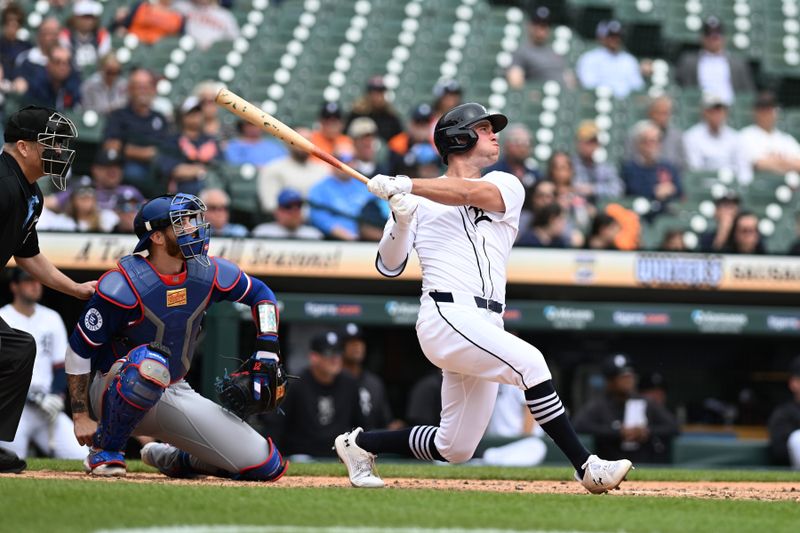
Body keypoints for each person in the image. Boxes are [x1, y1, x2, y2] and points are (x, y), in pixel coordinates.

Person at [334, 102, 633, 493]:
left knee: (455, 447)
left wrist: (408, 183)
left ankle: (359, 445)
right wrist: (402, 218)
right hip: (445, 314)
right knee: (531, 363)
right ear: (459, 137)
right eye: (484, 128)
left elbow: (465, 192)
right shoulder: (416, 202)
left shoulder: (507, 185)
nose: (495, 135)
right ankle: (586, 466)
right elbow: (388, 266)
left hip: (487, 321)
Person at [65, 192, 289, 480]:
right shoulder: (124, 284)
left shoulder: (206, 271)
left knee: (263, 465)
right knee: (149, 365)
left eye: (193, 220)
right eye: (182, 223)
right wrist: (81, 414)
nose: (193, 228)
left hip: (173, 388)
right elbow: (78, 350)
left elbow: (262, 294)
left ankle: (176, 459)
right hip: (112, 389)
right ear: (157, 237)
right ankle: (106, 449)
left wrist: (267, 347)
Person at [0, 106, 96, 474]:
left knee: (17, 348)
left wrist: (75, 289)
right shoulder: (3, 185)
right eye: (51, 144)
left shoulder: (30, 194)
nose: (60, 152)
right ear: (23, 147)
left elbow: (29, 255)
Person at [0, 268, 87, 460]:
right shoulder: (3, 317)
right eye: (28, 280)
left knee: (81, 455)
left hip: (47, 408)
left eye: (37, 280)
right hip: (14, 409)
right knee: (9, 461)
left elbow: (60, 365)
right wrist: (32, 397)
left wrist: (57, 396)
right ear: (14, 286)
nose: (35, 284)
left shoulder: (51, 317)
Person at [262, 330, 364, 458]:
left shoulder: (349, 383)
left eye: (338, 353)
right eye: (329, 353)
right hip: (302, 455)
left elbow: (361, 424)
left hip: (340, 456)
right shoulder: (295, 384)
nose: (335, 359)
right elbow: (275, 425)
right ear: (314, 357)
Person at [573, 354, 680, 464]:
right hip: (609, 465)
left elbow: (673, 426)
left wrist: (646, 431)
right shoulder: (599, 405)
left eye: (630, 375)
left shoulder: (646, 402)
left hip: (643, 464)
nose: (628, 380)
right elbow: (578, 425)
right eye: (622, 377)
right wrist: (617, 432)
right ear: (610, 381)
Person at [102, 68, 170, 196]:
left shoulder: (160, 118)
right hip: (129, 167)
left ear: (153, 89)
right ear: (130, 90)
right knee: (133, 173)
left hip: (159, 167)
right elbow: (111, 146)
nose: (143, 91)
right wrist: (144, 153)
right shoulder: (118, 116)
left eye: (146, 86)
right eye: (138, 87)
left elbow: (167, 146)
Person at [675, 16, 754, 106]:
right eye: (709, 35)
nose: (713, 40)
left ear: (724, 38)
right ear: (702, 38)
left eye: (716, 36)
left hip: (729, 109)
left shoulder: (738, 64)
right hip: (700, 109)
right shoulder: (689, 61)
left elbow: (747, 94)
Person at [158, 95, 222, 196]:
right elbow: (174, 170)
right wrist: (202, 171)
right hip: (182, 191)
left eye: (198, 112)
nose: (195, 116)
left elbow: (220, 167)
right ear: (182, 116)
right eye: (191, 113)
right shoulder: (172, 141)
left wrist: (194, 171)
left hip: (211, 190)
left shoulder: (210, 140)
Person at [257, 127, 328, 214]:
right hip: (285, 223)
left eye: (308, 141)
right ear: (288, 143)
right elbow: (270, 205)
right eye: (299, 140)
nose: (304, 145)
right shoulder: (273, 168)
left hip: (322, 222)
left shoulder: (323, 170)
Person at [340, 323, 396, 431]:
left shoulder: (374, 383)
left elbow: (385, 421)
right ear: (341, 347)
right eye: (351, 342)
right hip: (340, 442)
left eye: (360, 341)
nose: (357, 346)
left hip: (368, 443)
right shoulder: (333, 380)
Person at [736, 91, 800, 186]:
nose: (766, 114)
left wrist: (775, 162)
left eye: (769, 109)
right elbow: (760, 165)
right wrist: (787, 164)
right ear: (755, 112)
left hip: (787, 191)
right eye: (763, 109)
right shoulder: (746, 136)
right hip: (757, 190)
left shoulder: (786, 139)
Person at [307, 153, 373, 241]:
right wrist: (346, 236)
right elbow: (318, 217)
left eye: (350, 161)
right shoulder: (320, 188)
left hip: (366, 239)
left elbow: (377, 211)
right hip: (331, 240)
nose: (346, 166)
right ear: (332, 163)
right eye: (341, 161)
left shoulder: (364, 186)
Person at [621, 120, 683, 208]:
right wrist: (655, 191)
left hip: (665, 211)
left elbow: (679, 191)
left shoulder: (668, 166)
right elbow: (633, 191)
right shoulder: (630, 167)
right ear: (638, 144)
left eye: (655, 141)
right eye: (647, 141)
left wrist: (671, 189)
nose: (651, 146)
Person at [575, 20, 644, 99]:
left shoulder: (629, 60)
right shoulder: (589, 58)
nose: (615, 39)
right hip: (598, 100)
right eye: (610, 36)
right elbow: (589, 84)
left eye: (618, 36)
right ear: (601, 37)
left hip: (624, 104)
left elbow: (637, 86)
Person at [506, 6, 568, 89]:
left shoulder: (555, 52)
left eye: (544, 25)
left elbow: (568, 79)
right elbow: (515, 80)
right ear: (530, 26)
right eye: (537, 24)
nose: (541, 29)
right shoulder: (522, 52)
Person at [683, 93, 739, 174]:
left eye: (720, 110)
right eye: (712, 111)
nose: (717, 115)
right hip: (705, 183)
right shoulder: (691, 137)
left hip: (732, 183)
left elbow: (741, 167)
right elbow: (695, 169)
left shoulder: (734, 137)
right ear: (704, 112)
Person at [624, 96, 685, 170]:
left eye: (665, 113)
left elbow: (682, 165)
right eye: (658, 113)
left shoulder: (676, 136)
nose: (662, 117)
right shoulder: (636, 133)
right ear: (650, 113)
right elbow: (629, 162)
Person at [571, 120, 624, 201]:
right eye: (586, 142)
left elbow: (618, 189)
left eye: (593, 142)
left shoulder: (605, 166)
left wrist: (593, 189)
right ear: (578, 143)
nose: (589, 146)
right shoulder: (569, 164)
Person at [483, 123, 540, 194]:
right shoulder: (494, 171)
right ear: (507, 145)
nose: (522, 149)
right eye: (517, 143)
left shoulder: (533, 171)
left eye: (525, 144)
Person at [22, 45, 82, 111]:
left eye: (66, 63)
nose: (62, 67)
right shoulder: (36, 85)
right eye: (57, 62)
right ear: (49, 64)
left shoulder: (74, 83)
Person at [345, 76, 403, 143]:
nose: (377, 96)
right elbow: (346, 136)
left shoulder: (390, 116)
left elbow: (399, 140)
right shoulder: (357, 114)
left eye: (380, 92)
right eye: (374, 92)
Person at [384, 103, 437, 177]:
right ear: (410, 124)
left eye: (425, 124)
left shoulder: (437, 144)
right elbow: (391, 172)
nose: (422, 129)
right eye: (419, 124)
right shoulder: (397, 143)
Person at [58, 0, 111, 71]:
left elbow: (103, 59)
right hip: (72, 74)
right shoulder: (66, 35)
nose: (88, 21)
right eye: (84, 17)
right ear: (75, 18)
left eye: (92, 18)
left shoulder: (102, 35)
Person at [251, 188, 322, 240]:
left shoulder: (313, 235)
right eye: (288, 206)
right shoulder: (263, 233)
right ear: (277, 211)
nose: (294, 211)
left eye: (299, 206)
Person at [768, 357, 800, 469]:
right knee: (797, 438)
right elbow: (779, 452)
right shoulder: (783, 413)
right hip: (794, 472)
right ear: (793, 383)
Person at [174, 0, 239, 51]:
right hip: (188, 50)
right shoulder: (181, 7)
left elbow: (235, 40)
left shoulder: (225, 15)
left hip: (214, 55)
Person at [114, 0, 184, 46]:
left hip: (157, 54)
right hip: (132, 43)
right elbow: (123, 27)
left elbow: (177, 41)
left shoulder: (178, 18)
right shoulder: (142, 6)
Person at [309, 102, 353, 169]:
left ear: (342, 123)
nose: (331, 123)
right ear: (320, 121)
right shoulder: (311, 139)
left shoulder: (347, 141)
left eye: (335, 120)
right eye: (327, 119)